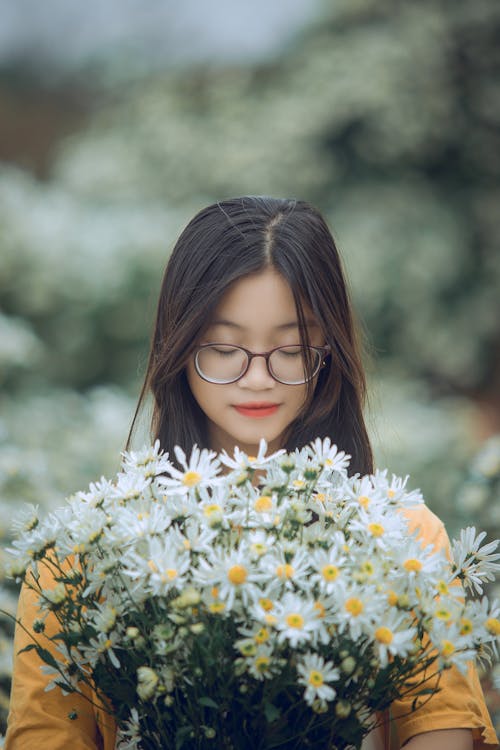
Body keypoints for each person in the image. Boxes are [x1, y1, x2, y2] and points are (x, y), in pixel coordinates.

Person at [5, 196, 498, 749]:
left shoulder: (408, 545)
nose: (258, 378)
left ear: (329, 351)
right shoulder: (75, 564)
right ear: (178, 345)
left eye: (290, 347)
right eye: (224, 347)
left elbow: (440, 732)